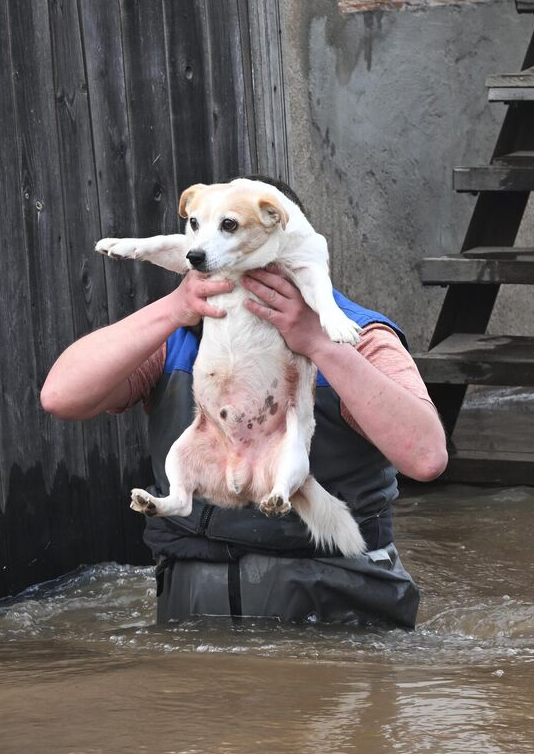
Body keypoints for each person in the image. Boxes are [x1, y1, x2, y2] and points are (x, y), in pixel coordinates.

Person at [40, 184, 447, 628]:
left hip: (336, 617)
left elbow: (426, 458)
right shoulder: (182, 332)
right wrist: (174, 308)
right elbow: (60, 397)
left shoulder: (359, 335)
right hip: (196, 623)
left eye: (230, 229)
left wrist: (317, 343)